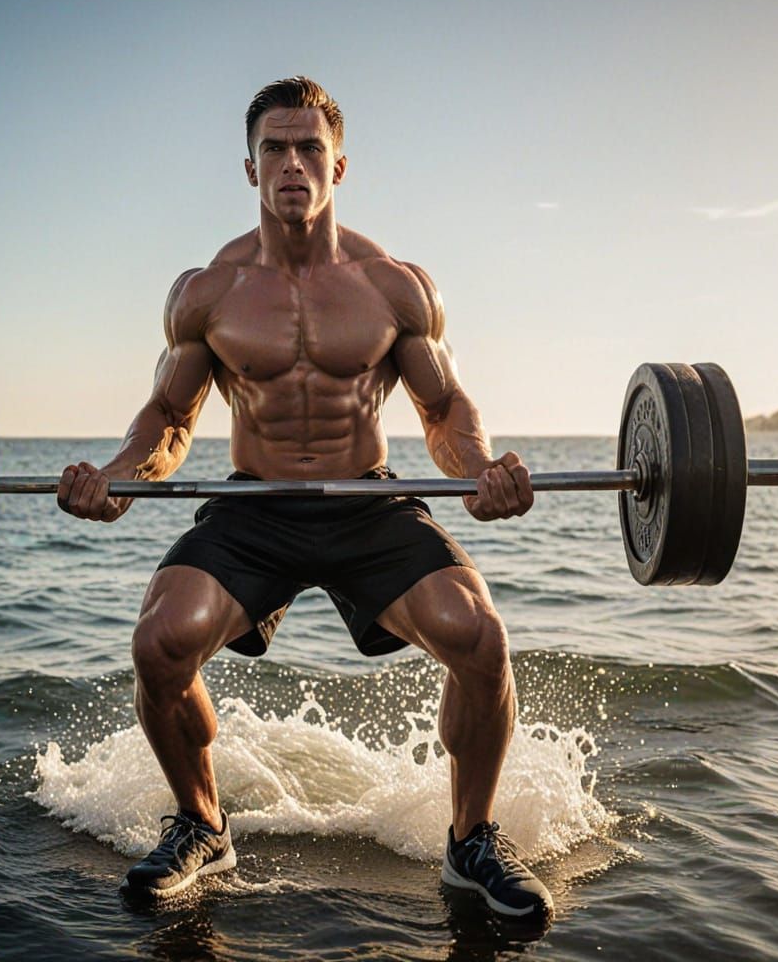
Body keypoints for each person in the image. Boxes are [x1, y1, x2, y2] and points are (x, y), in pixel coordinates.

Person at [57, 77, 553, 923]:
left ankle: (471, 842)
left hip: (367, 504)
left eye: (310, 148)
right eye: (275, 149)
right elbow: (170, 417)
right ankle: (202, 826)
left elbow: (442, 409)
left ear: (339, 165)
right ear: (250, 168)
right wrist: (121, 480)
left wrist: (476, 473)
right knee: (160, 643)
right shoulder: (207, 292)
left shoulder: (394, 286)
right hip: (255, 508)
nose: (293, 163)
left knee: (480, 638)